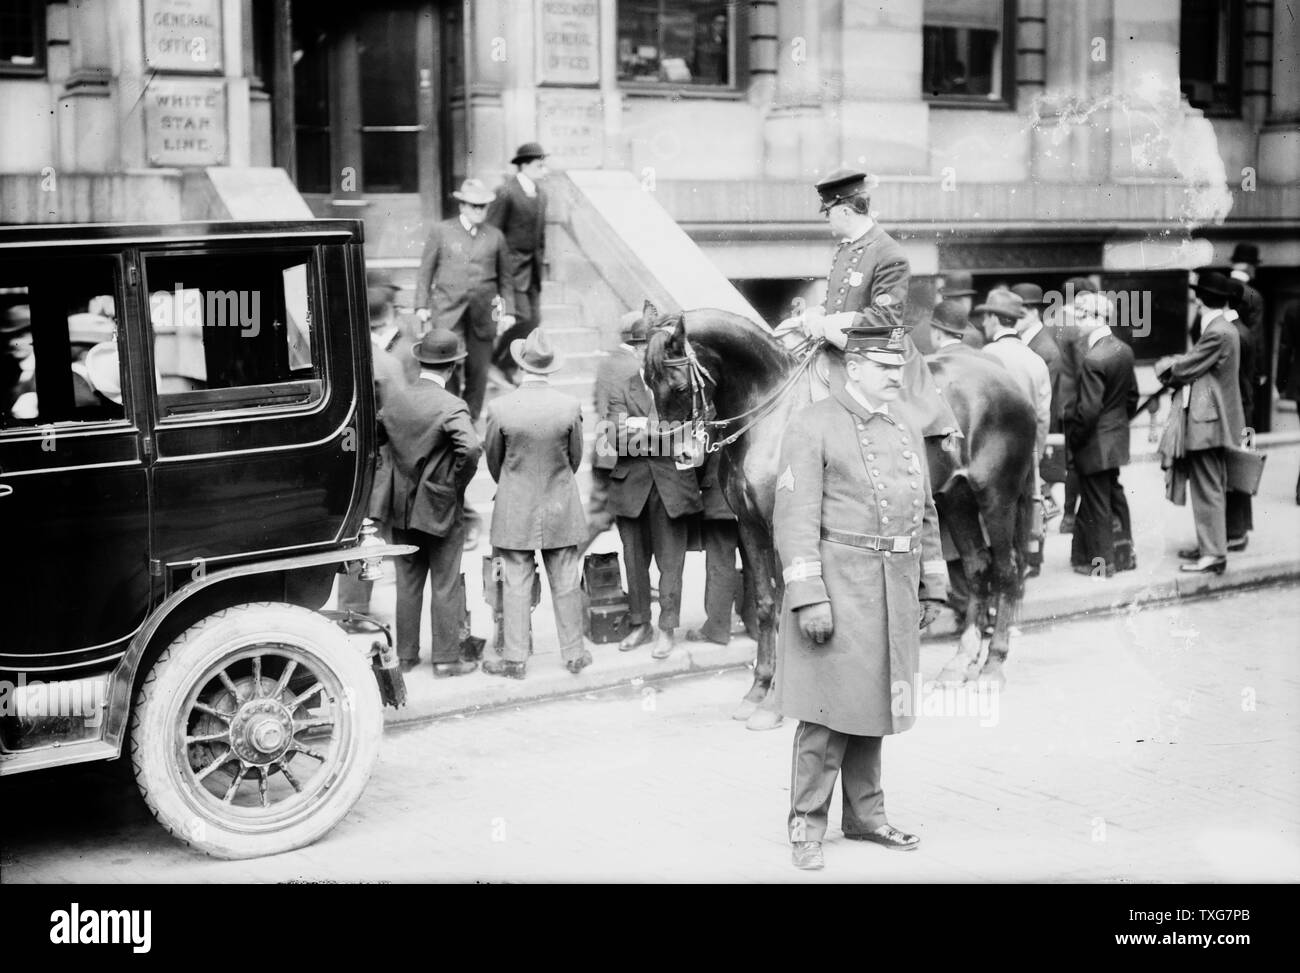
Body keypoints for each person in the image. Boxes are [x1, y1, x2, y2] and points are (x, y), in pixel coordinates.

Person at [773, 325, 947, 871]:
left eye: (900, 367)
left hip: (892, 587)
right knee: (827, 713)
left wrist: (933, 584)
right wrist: (808, 597)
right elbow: (794, 519)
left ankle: (867, 817)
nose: (897, 376)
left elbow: (925, 511)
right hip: (838, 586)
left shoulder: (904, 426)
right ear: (854, 369)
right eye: (885, 368)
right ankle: (806, 826)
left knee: (876, 705)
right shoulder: (812, 424)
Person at [773, 168, 960, 442]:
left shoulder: (888, 252)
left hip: (876, 347)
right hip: (844, 342)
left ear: (846, 212)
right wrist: (817, 314)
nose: (827, 219)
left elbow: (884, 318)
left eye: (829, 212)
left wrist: (826, 325)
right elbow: (838, 301)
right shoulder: (847, 247)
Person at [482, 330, 591, 679]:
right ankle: (574, 654)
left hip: (515, 507)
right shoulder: (569, 406)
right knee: (566, 581)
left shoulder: (500, 408)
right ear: (549, 368)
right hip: (561, 505)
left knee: (515, 583)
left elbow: (493, 461)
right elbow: (575, 459)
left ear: (521, 365)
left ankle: (515, 659)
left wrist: (514, 485)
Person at [382, 330, 482, 675]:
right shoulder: (451, 405)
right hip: (440, 507)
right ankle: (445, 660)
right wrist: (453, 485)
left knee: (408, 582)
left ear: (420, 360)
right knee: (445, 582)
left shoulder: (396, 401)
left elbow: (379, 440)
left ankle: (406, 657)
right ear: (453, 367)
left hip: (399, 507)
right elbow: (469, 449)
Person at [605, 339, 704, 659]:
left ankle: (667, 628)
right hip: (631, 489)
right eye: (642, 349)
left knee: (671, 564)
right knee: (634, 562)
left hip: (671, 489)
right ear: (636, 354)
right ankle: (640, 624)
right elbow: (614, 438)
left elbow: (691, 431)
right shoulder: (621, 387)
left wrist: (640, 428)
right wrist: (666, 434)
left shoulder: (679, 385)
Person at [1154, 271, 1245, 575]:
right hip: (1214, 421)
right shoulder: (1223, 328)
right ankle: (1210, 546)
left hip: (1209, 422)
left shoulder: (1218, 332)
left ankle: (1213, 553)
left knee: (1207, 487)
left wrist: (1165, 366)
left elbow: (1185, 368)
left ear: (1202, 299)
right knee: (1210, 485)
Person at [337, 276, 413, 627]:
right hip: (379, 461)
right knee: (368, 536)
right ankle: (354, 614)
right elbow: (402, 420)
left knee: (357, 535)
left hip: (347, 458)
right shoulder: (385, 364)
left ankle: (351, 610)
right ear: (385, 319)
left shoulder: (343, 352)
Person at [414, 179, 516, 424]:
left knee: (478, 371)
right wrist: (420, 305)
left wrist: (509, 311)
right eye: (474, 206)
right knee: (449, 367)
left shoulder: (495, 236)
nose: (480, 211)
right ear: (462, 206)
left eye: (484, 206)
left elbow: (506, 278)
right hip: (448, 310)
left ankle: (469, 424)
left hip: (483, 313)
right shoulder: (442, 230)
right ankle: (451, 421)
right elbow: (426, 270)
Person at [1066, 293, 1138, 576]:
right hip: (1116, 439)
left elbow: (1089, 410)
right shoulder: (1124, 350)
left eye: (1080, 317)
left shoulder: (1093, 358)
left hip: (1095, 443)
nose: (1076, 324)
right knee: (1115, 496)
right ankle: (1125, 556)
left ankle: (1103, 563)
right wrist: (1116, 425)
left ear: (1093, 318)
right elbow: (1131, 396)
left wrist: (1076, 439)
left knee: (1097, 503)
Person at [587, 305, 653, 544]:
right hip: (628, 455)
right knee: (641, 519)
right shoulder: (637, 368)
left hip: (604, 451)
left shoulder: (607, 363)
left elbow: (598, 404)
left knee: (600, 515)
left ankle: (568, 568)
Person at [487, 143, 549, 386]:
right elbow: (492, 232)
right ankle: (493, 361)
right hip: (510, 269)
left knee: (535, 319)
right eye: (538, 165)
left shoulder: (541, 194)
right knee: (522, 316)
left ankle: (505, 364)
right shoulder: (506, 191)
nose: (543, 170)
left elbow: (540, 236)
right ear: (523, 165)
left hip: (532, 271)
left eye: (544, 165)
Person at [1224, 277, 1258, 551]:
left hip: (1239, 412)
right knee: (1237, 472)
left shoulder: (1235, 333)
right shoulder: (1242, 330)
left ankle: (1235, 532)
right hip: (1244, 410)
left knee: (1234, 472)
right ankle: (1238, 530)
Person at [1228, 243, 1269, 433]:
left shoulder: (1219, 288)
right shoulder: (1254, 296)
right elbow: (1256, 337)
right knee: (1246, 412)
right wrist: (1260, 370)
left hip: (1218, 360)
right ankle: (1246, 454)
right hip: (1244, 364)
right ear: (1251, 267)